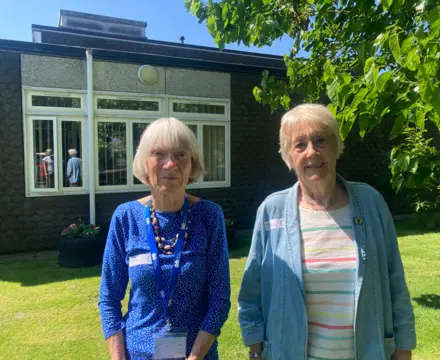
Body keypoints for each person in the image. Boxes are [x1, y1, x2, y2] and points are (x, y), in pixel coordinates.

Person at [238, 104, 416, 360]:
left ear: (336, 146)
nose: (312, 152)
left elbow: (395, 280)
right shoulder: (271, 210)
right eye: (299, 144)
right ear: (288, 155)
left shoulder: (370, 202)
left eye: (320, 140)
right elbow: (251, 291)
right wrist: (255, 351)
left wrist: (404, 346)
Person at [99, 117, 231, 360]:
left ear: (192, 164)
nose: (170, 164)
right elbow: (108, 299)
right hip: (138, 354)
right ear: (144, 162)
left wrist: (194, 358)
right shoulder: (126, 217)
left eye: (181, 154)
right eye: (159, 153)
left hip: (198, 355)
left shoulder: (209, 216)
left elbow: (219, 300)